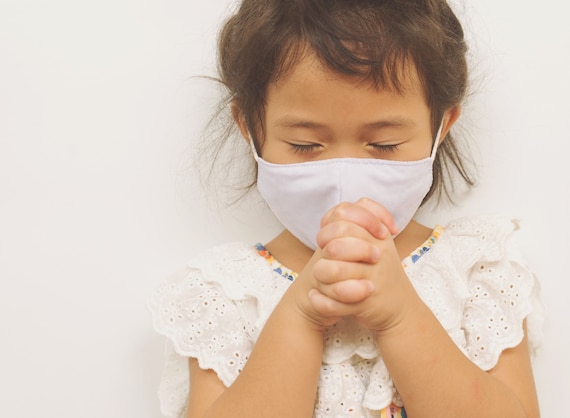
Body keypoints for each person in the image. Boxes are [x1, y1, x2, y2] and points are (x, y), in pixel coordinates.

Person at [150, 0, 544, 417]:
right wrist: (302, 315)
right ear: (249, 128)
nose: (345, 177)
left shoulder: (476, 273)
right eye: (304, 145)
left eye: (385, 144)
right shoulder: (225, 294)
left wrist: (400, 316)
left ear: (441, 126)